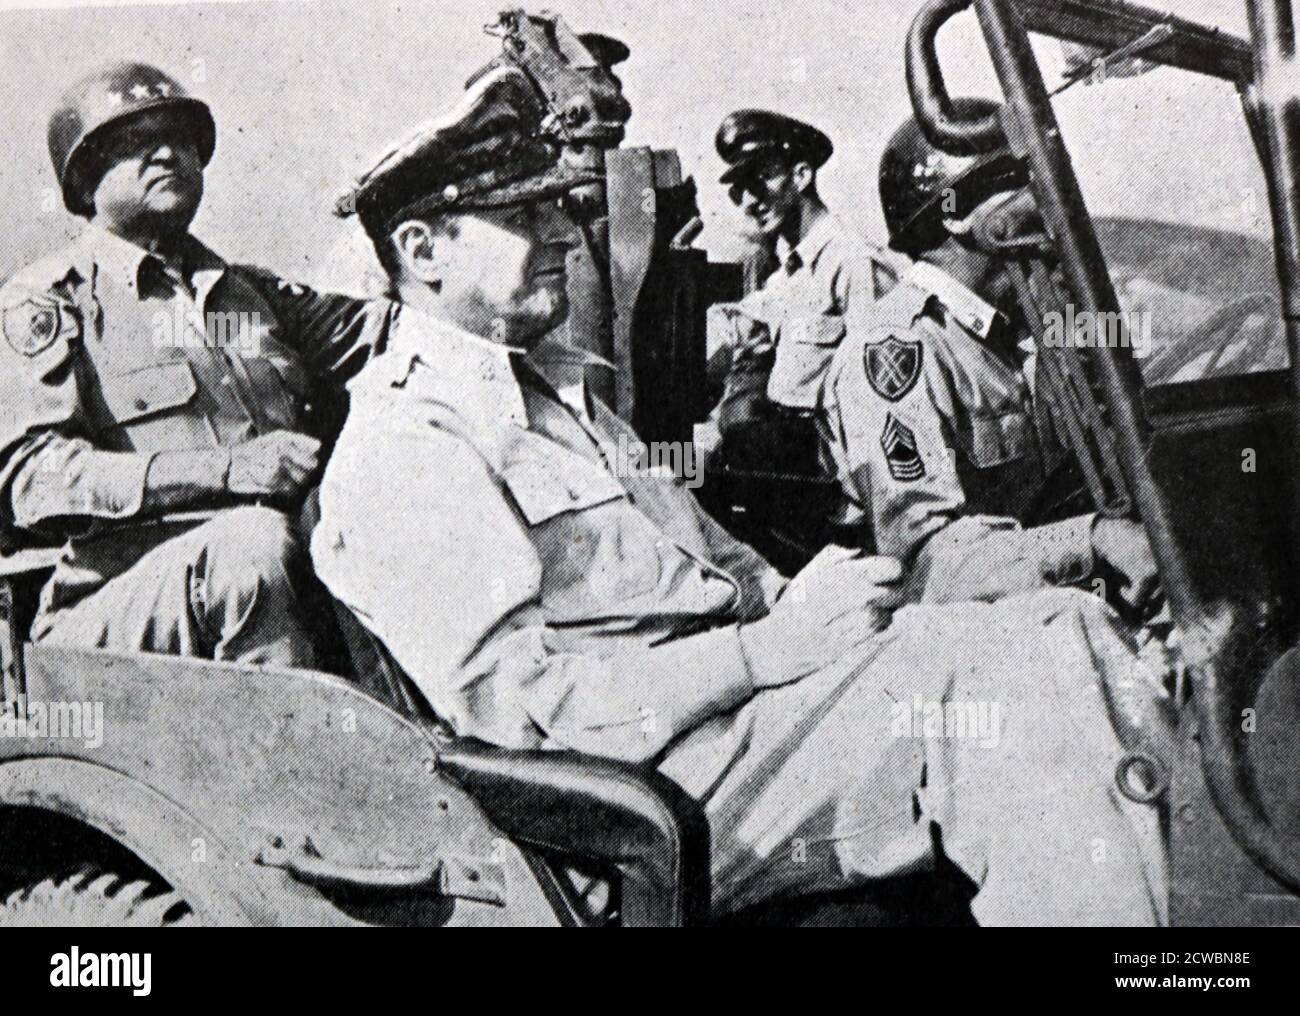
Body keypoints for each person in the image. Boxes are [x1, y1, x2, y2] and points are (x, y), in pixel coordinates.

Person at [312, 67, 1167, 924]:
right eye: (524, 216)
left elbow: (722, 568)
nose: (565, 234)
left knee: (1066, 622)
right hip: (634, 809)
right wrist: (770, 650)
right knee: (1009, 678)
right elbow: (527, 720)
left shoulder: (563, 397)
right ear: (422, 252)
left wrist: (827, 610)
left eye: (558, 208)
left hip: (731, 735)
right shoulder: (405, 447)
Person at [0, 62, 393, 667]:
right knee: (248, 546)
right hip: (111, 618)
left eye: (181, 138)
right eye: (133, 142)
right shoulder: (47, 304)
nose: (166, 154)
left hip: (285, 579)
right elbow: (29, 481)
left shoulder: (256, 295)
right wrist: (226, 469)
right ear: (85, 179)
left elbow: (394, 333)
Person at [817, 98, 1159, 611]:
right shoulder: (895, 351)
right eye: (1022, 179)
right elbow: (927, 567)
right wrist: (1091, 541)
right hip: (985, 637)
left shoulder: (1036, 325)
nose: (1045, 196)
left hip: (1076, 601)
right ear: (956, 214)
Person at [702, 110, 909, 568]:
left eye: (763, 179)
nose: (751, 200)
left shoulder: (851, 262)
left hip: (842, 500)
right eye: (740, 189)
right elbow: (745, 320)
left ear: (802, 174)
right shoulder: (792, 271)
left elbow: (890, 396)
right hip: (797, 479)